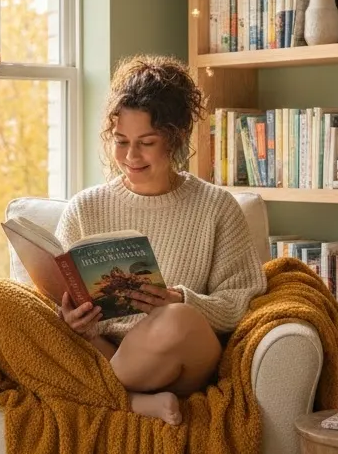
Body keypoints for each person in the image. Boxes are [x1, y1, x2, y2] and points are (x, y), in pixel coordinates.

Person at [55, 55, 267, 427]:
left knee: (176, 320)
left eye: (146, 142)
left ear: (176, 138)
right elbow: (57, 297)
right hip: (103, 349)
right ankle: (134, 400)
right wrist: (73, 320)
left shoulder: (216, 206)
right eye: (121, 142)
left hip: (182, 356)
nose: (130, 156)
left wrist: (181, 299)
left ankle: (96, 394)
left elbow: (239, 302)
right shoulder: (84, 208)